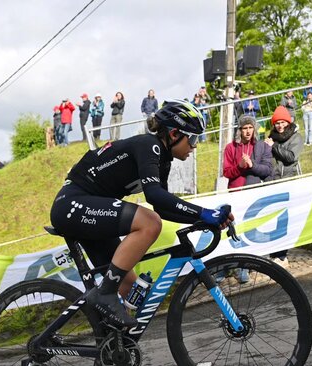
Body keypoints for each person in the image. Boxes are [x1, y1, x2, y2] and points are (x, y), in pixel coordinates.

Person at [50, 99, 234, 344]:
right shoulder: (150, 145)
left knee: (127, 281)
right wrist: (204, 214)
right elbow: (154, 197)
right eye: (192, 139)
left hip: (88, 207)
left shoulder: (163, 159)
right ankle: (104, 294)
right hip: (72, 203)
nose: (195, 146)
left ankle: (114, 352)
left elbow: (164, 207)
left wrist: (204, 217)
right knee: (149, 223)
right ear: (174, 133)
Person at [223, 115, 273, 282]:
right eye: (244, 128)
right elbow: (226, 172)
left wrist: (252, 165)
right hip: (236, 195)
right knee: (234, 231)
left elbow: (267, 170)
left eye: (250, 127)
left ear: (254, 129)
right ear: (240, 130)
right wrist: (240, 167)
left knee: (252, 230)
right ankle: (231, 267)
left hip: (254, 195)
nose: (248, 131)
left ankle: (248, 267)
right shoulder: (230, 148)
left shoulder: (262, 147)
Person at [265, 106, 304, 267]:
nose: (280, 126)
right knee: (274, 217)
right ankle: (274, 253)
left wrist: (273, 146)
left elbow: (291, 157)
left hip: (288, 181)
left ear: (288, 122)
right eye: (277, 123)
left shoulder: (296, 137)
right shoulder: (272, 137)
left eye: (282, 122)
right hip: (274, 182)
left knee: (284, 219)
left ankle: (282, 256)